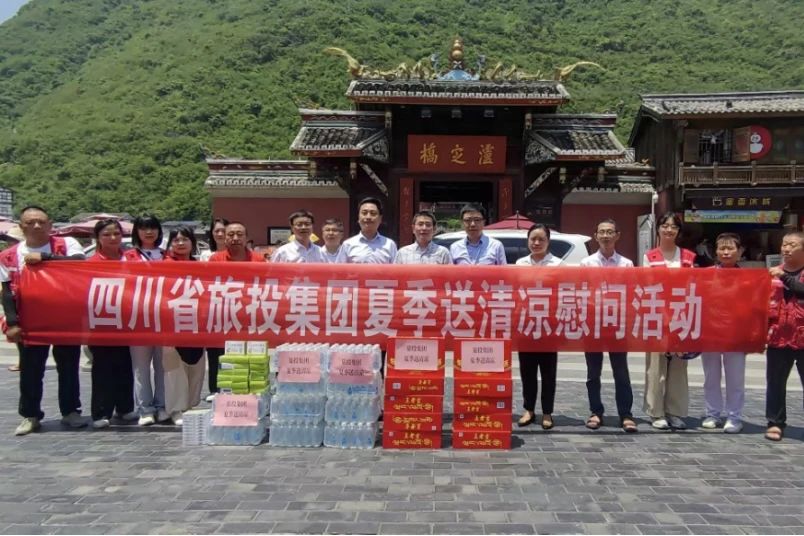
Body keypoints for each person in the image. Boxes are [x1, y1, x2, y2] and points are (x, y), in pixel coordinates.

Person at [1, 206, 87, 435]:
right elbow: (7, 292)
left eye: (41, 221)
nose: (37, 226)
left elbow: (79, 262)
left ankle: (71, 411)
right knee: (31, 370)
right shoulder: (8, 256)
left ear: (50, 225)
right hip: (30, 320)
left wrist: (46, 258)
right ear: (21, 227)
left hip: (64, 317)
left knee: (68, 366)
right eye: (30, 222)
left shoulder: (66, 244)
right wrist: (13, 323)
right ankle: (30, 415)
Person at [579, 219, 637, 433]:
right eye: (601, 232)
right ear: (595, 236)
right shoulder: (586, 263)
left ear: (617, 235)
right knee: (593, 372)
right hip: (593, 323)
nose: (605, 236)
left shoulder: (626, 264)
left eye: (610, 232)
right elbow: (581, 291)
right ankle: (595, 411)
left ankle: (626, 413)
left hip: (617, 323)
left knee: (621, 371)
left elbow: (631, 293)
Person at [642, 212, 696, 430]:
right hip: (657, 316)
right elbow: (646, 285)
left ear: (678, 231)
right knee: (656, 367)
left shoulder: (688, 257)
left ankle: (675, 411)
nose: (669, 230)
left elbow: (694, 286)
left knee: (679, 367)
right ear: (658, 229)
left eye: (673, 227)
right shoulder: (650, 257)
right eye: (665, 226)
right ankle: (655, 412)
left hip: (681, 316)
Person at [87, 219, 137, 429]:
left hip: (127, 320)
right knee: (103, 367)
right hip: (101, 321)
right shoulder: (90, 262)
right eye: (106, 234)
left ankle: (125, 408)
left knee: (125, 364)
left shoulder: (131, 259)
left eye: (116, 233)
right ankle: (101, 411)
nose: (113, 238)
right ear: (98, 238)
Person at [700, 233, 746, 434]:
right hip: (711, 331)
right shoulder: (706, 274)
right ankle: (713, 413)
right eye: (722, 248)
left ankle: (734, 416)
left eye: (730, 248)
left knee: (735, 377)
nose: (726, 252)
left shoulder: (748, 278)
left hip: (736, 333)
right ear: (715, 252)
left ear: (740, 251)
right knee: (711, 376)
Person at [515, 224, 559, 430]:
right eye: (533, 239)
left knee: (548, 371)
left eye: (541, 239)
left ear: (548, 241)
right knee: (527, 370)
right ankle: (529, 409)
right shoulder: (520, 264)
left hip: (549, 324)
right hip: (526, 323)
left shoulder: (558, 265)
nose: (536, 243)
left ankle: (547, 412)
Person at [125, 215, 167, 426]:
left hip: (164, 317)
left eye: (152, 228)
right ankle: (145, 409)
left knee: (163, 366)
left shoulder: (167, 255)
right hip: (139, 318)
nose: (149, 232)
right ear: (137, 232)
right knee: (140, 367)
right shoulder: (128, 256)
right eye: (143, 228)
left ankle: (162, 406)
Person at [161, 227, 205, 425]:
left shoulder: (201, 266)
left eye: (185, 239)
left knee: (196, 365)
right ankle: (176, 408)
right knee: (174, 368)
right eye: (176, 240)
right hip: (172, 323)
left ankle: (190, 404)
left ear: (192, 243)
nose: (180, 243)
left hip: (196, 323)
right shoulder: (164, 266)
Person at [765, 231, 804, 441]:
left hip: (802, 336)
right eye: (784, 244)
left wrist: (784, 277)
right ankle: (775, 422)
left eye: (792, 245)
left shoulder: (781, 275)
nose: (786, 249)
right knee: (775, 383)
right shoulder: (772, 274)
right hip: (778, 336)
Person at [200, 217, 228, 402]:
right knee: (214, 350)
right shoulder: (205, 255)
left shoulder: (237, 255)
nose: (220, 234)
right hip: (213, 306)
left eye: (223, 230)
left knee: (231, 349)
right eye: (216, 230)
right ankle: (214, 387)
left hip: (234, 305)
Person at [343, 197, 397, 264]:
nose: (368, 217)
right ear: (358, 217)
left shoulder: (389, 244)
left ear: (380, 219)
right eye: (364, 213)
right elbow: (340, 269)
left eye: (373, 213)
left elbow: (395, 269)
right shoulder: (348, 244)